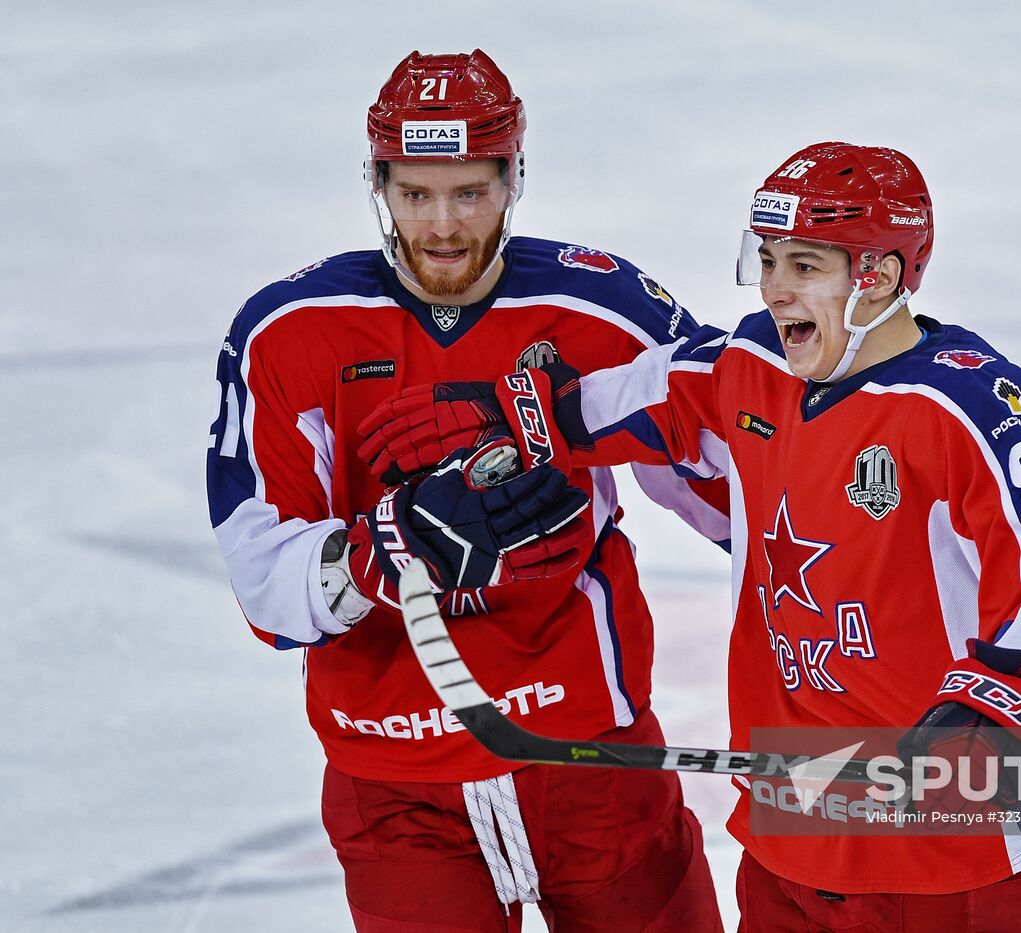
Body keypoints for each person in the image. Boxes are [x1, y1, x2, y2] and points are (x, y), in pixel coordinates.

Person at [365, 142, 1021, 930]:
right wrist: (512, 415)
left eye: (805, 266)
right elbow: (643, 396)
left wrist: (998, 706)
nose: (775, 288)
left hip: (963, 848)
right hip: (793, 842)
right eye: (767, 260)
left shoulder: (978, 408)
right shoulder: (752, 362)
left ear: (880, 277)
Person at [206, 49, 727, 932]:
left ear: (513, 178)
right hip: (394, 780)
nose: (442, 225)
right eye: (415, 194)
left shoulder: (600, 310)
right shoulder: (287, 333)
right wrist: (391, 546)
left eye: (470, 192)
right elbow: (266, 584)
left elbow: (738, 477)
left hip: (589, 756)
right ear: (378, 184)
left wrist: (570, 410)